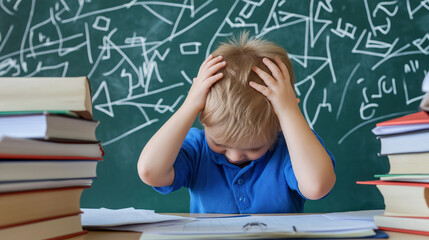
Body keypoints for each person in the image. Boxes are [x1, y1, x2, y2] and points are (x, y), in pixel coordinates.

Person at [137, 32, 336, 213]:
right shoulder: (197, 149)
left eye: (253, 148)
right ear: (202, 118)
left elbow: (317, 186)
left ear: (279, 124)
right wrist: (189, 105)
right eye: (220, 145)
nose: (233, 156)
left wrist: (288, 111)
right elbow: (150, 171)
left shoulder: (291, 148)